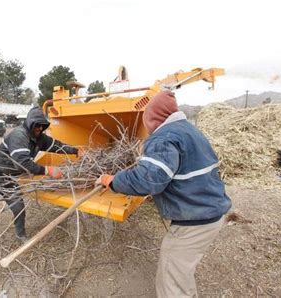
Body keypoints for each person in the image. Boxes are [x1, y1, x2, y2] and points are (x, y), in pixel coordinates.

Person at [95, 90, 231, 297]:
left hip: (196, 221)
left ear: (154, 118)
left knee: (172, 280)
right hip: (210, 211)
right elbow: (174, 173)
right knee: (181, 274)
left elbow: (148, 180)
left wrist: (112, 181)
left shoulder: (164, 138)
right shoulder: (188, 131)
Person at [0, 107, 83, 270]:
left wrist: (75, 151)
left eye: (42, 126)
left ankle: (20, 235)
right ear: (30, 123)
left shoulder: (39, 137)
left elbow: (56, 146)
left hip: (9, 178)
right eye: (37, 126)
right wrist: (47, 170)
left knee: (18, 207)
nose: (39, 129)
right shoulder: (19, 135)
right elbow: (22, 162)